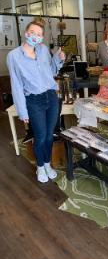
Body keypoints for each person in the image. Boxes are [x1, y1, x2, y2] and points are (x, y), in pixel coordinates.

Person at [7, 19, 65, 183]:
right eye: (33, 33)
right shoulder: (14, 56)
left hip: (51, 96)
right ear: (26, 33)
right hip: (33, 100)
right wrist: (22, 111)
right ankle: (40, 166)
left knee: (49, 135)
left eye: (39, 34)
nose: (36, 36)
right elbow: (16, 85)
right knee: (40, 137)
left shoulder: (43, 49)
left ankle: (47, 164)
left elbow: (52, 70)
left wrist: (58, 58)